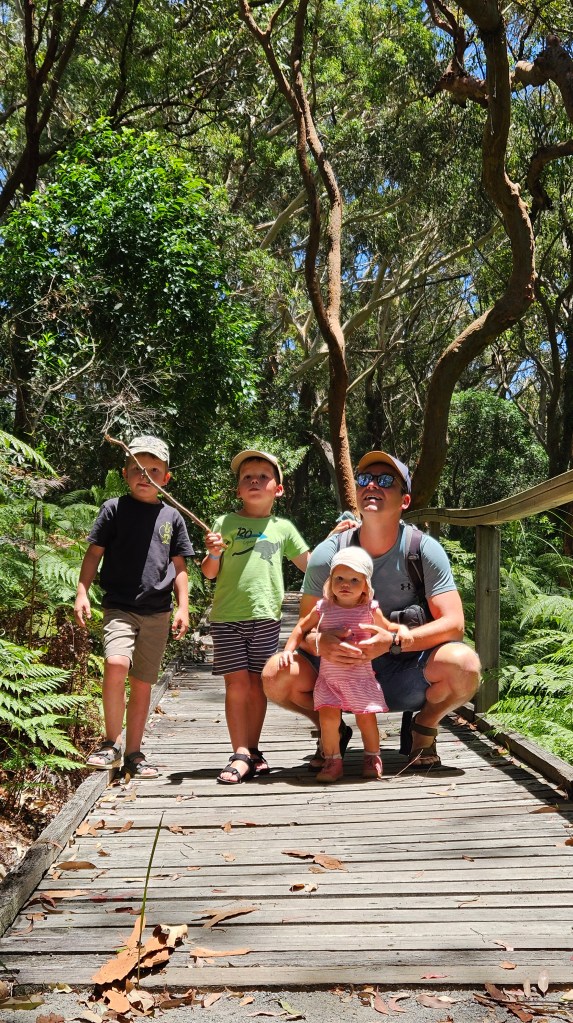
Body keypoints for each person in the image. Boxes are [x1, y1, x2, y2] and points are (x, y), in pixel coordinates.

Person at [262, 450, 481, 771]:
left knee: (466, 665)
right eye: (364, 479)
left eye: (385, 480)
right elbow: (307, 628)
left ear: (405, 500)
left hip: (406, 672)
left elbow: (454, 624)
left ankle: (424, 726)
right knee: (275, 675)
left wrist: (393, 641)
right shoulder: (328, 554)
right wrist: (322, 643)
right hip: (339, 675)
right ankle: (331, 727)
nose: (372, 485)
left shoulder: (422, 549)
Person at [74, 435, 194, 778]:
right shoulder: (114, 509)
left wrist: (183, 607)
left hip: (158, 611)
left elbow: (180, 567)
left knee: (142, 683)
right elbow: (94, 554)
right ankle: (111, 743)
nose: (146, 475)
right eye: (138, 468)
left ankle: (134, 753)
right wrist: (82, 592)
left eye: (154, 470)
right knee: (115, 663)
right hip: (119, 606)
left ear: (166, 478)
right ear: (125, 473)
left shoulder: (172, 516)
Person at [202, 449, 310, 784]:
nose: (254, 481)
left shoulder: (282, 528)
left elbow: (311, 566)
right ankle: (239, 753)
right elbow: (209, 572)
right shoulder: (225, 523)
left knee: (257, 684)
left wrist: (339, 541)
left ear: (278, 489)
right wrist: (213, 553)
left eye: (263, 477)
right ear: (238, 489)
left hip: (266, 618)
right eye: (247, 477)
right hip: (227, 617)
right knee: (236, 685)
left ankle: (253, 750)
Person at [279, 547, 414, 782]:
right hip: (330, 679)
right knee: (328, 720)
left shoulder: (369, 609)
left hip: (360, 679)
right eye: (339, 578)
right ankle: (333, 760)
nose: (345, 585)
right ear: (330, 581)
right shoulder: (323, 608)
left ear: (365, 586)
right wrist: (288, 650)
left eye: (354, 580)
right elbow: (301, 627)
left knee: (366, 719)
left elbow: (387, 627)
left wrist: (401, 630)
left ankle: (372, 757)